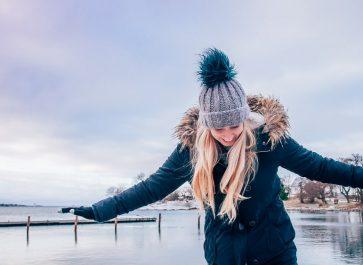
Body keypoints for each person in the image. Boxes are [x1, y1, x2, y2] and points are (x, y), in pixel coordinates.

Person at [60, 48, 363, 265]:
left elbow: (322, 167)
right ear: (206, 124)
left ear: (246, 118)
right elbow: (153, 186)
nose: (228, 134)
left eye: (234, 125)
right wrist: (100, 210)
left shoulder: (270, 141)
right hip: (224, 255)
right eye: (219, 127)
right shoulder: (191, 151)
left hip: (274, 253)